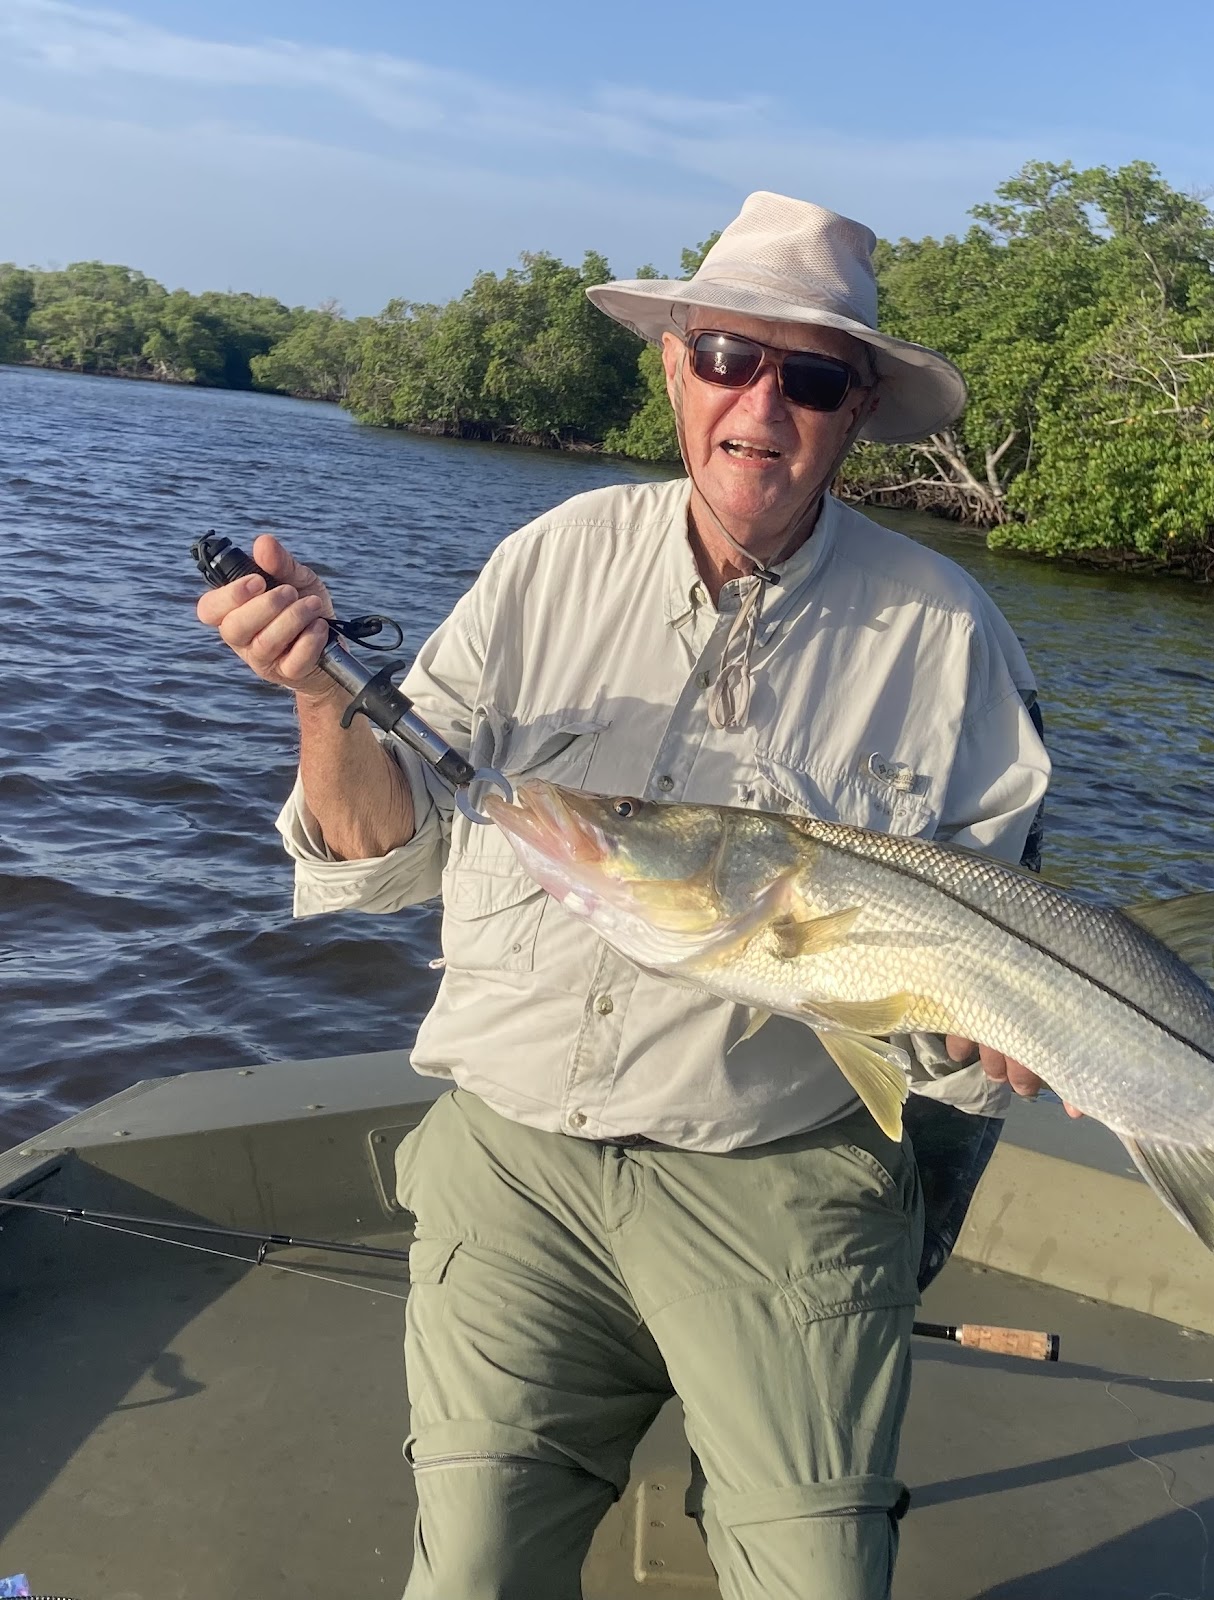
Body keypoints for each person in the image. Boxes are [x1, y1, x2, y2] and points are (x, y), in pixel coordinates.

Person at [197, 192, 1051, 1600]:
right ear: (673, 365)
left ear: (856, 412)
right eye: (726, 355)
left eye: (813, 376)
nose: (760, 404)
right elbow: (383, 858)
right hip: (516, 1158)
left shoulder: (950, 632)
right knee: (466, 1577)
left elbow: (991, 967)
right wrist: (319, 700)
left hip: (782, 1172)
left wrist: (985, 1042)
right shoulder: (548, 559)